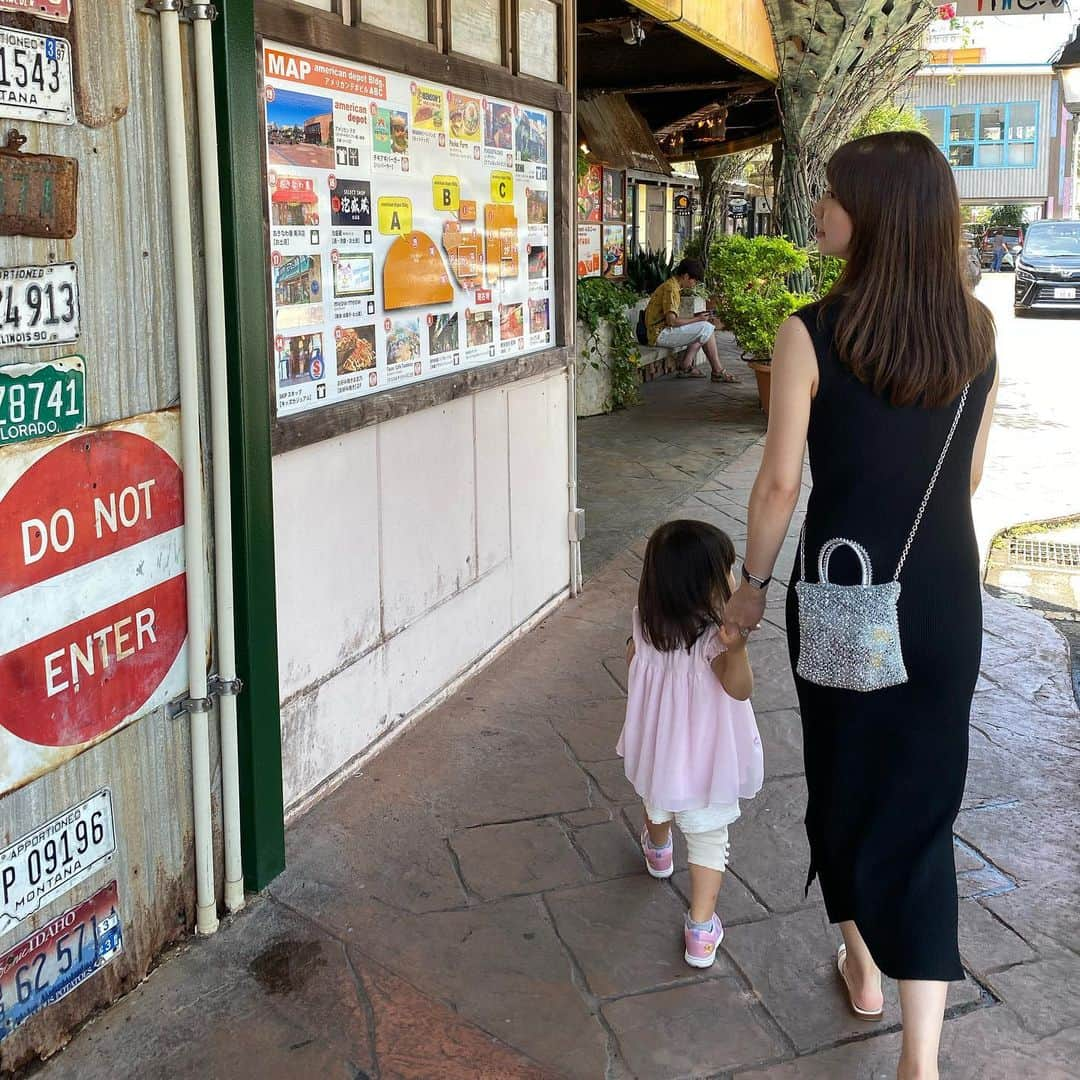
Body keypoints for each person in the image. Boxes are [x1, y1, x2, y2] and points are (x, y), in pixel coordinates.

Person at [723, 131, 998, 1080]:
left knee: (844, 782)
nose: (819, 210)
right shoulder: (977, 333)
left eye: (833, 196)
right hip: (943, 603)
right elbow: (966, 481)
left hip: (844, 598)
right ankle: (918, 1061)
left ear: (874, 212)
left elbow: (776, 487)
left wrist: (749, 591)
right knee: (924, 809)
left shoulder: (811, 332)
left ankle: (863, 964)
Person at [617, 520, 764, 968]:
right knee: (706, 837)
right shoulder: (713, 642)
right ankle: (700, 929)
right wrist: (736, 651)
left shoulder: (645, 625)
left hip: (658, 752)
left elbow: (631, 659)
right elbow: (740, 690)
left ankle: (658, 851)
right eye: (729, 570)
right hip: (705, 766)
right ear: (708, 583)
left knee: (655, 800)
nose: (734, 578)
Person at [644, 257, 736, 382]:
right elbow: (672, 321)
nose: (695, 284)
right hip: (659, 334)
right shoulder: (671, 289)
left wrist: (696, 317)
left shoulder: (672, 285)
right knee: (706, 328)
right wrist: (697, 319)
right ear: (686, 276)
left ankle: (688, 366)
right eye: (695, 280)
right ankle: (717, 371)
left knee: (704, 329)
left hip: (659, 330)